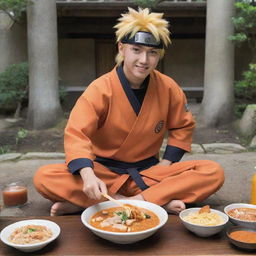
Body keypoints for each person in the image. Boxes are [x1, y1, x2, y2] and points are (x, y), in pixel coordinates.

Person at [34, 7, 224, 216]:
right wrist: (88, 175)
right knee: (45, 177)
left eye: (152, 53)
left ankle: (104, 204)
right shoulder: (100, 88)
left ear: (159, 56)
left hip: (148, 174)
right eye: (136, 50)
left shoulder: (168, 87)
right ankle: (153, 203)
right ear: (121, 48)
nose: (144, 60)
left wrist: (166, 164)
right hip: (103, 174)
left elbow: (183, 125)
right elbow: (77, 133)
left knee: (212, 172)